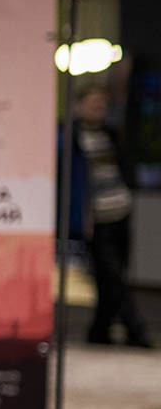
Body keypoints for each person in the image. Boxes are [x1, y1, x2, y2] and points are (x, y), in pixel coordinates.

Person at [68, 82, 151, 347]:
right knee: (111, 275)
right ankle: (136, 331)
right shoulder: (70, 138)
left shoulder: (112, 134)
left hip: (120, 211)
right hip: (95, 218)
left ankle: (99, 331)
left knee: (113, 277)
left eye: (103, 104)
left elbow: (124, 168)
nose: (99, 109)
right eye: (93, 104)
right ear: (78, 106)